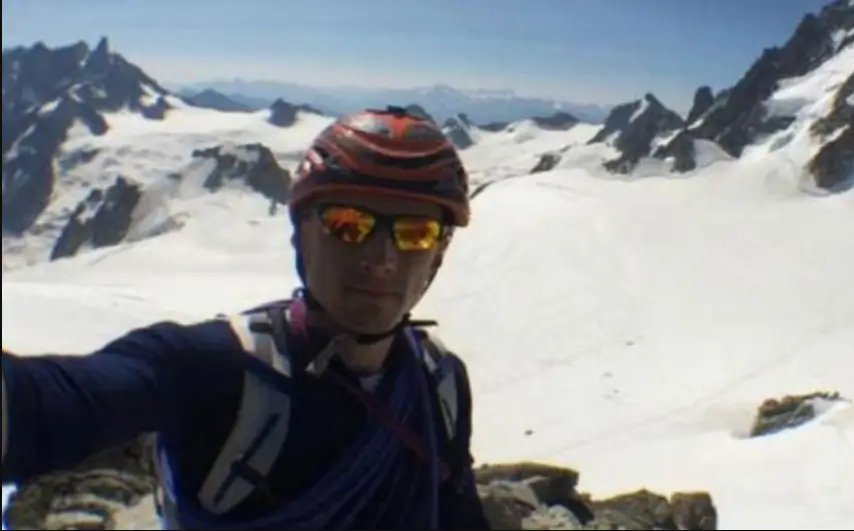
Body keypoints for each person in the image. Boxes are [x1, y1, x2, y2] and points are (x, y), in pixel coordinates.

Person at [1, 106, 492, 530]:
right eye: (349, 223)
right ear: (302, 231)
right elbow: (53, 404)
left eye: (416, 232)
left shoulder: (440, 384)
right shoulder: (216, 371)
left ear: (438, 253)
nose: (382, 258)